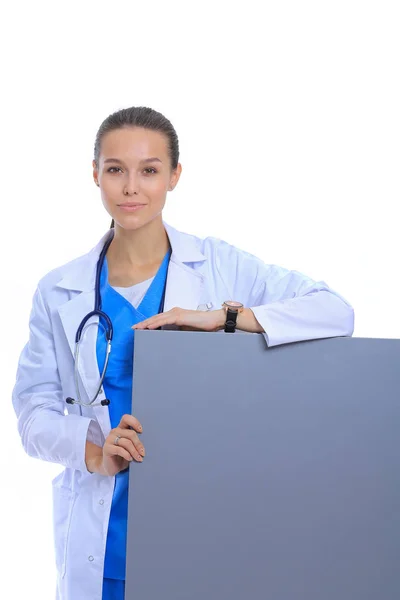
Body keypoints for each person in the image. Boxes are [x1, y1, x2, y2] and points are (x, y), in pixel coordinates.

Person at [12, 106, 354, 600]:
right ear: (95, 175)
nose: (131, 187)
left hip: (199, 523)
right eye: (115, 170)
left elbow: (335, 312)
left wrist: (223, 318)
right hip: (101, 537)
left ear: (174, 175)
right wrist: (94, 454)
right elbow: (32, 412)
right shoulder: (58, 289)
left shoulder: (219, 266)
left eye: (149, 170)